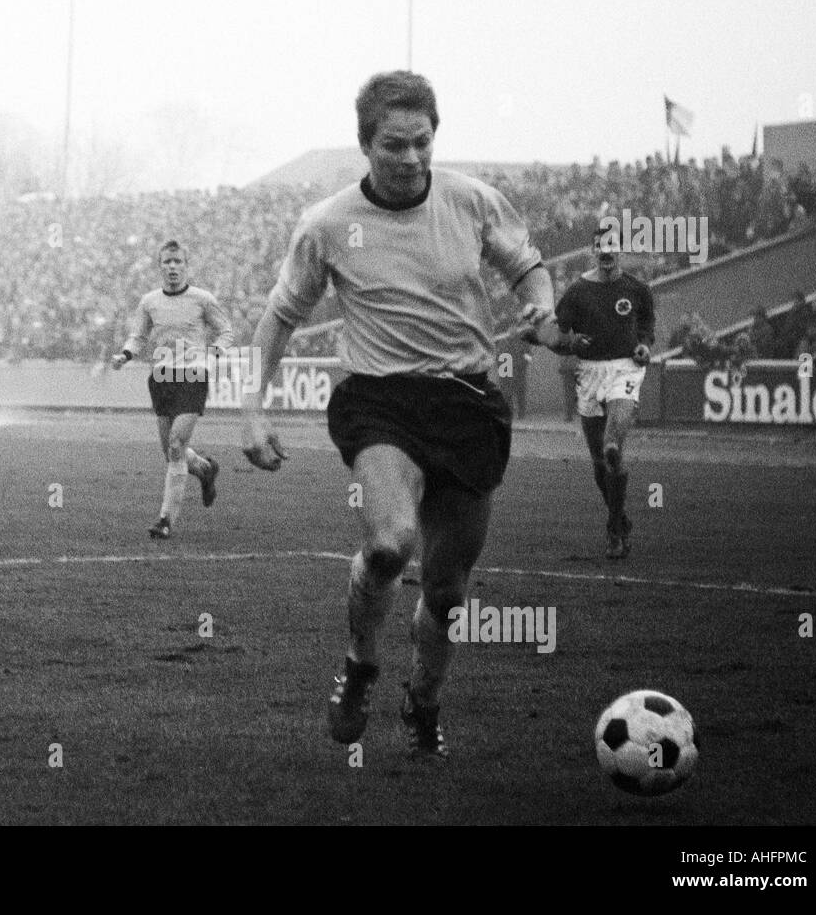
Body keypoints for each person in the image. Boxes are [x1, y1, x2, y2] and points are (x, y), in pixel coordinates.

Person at [241, 71, 563, 759]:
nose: (412, 157)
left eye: (423, 142)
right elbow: (278, 320)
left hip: (468, 403)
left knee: (447, 592)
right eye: (394, 144)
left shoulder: (473, 201)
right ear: (365, 144)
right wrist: (251, 409)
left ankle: (424, 701)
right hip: (379, 401)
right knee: (390, 543)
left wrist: (543, 305)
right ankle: (360, 665)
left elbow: (530, 270)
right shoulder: (328, 224)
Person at [111, 240, 232, 539]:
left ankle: (165, 520)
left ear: (187, 266)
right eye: (167, 262)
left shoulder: (202, 299)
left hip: (192, 376)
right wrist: (125, 355)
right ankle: (204, 469)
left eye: (178, 262)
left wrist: (213, 353)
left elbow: (226, 331)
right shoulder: (149, 301)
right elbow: (138, 336)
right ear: (160, 266)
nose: (173, 267)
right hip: (162, 377)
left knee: (177, 444)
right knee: (170, 453)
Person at [554, 221, 656, 559]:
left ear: (621, 250)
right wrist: (570, 342)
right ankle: (618, 521)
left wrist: (643, 345)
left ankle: (613, 530)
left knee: (612, 447)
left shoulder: (638, 290)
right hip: (589, 373)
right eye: (601, 247)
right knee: (600, 463)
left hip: (625, 368)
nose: (607, 252)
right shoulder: (576, 293)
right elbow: (557, 336)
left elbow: (646, 325)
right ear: (593, 251)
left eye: (613, 246)